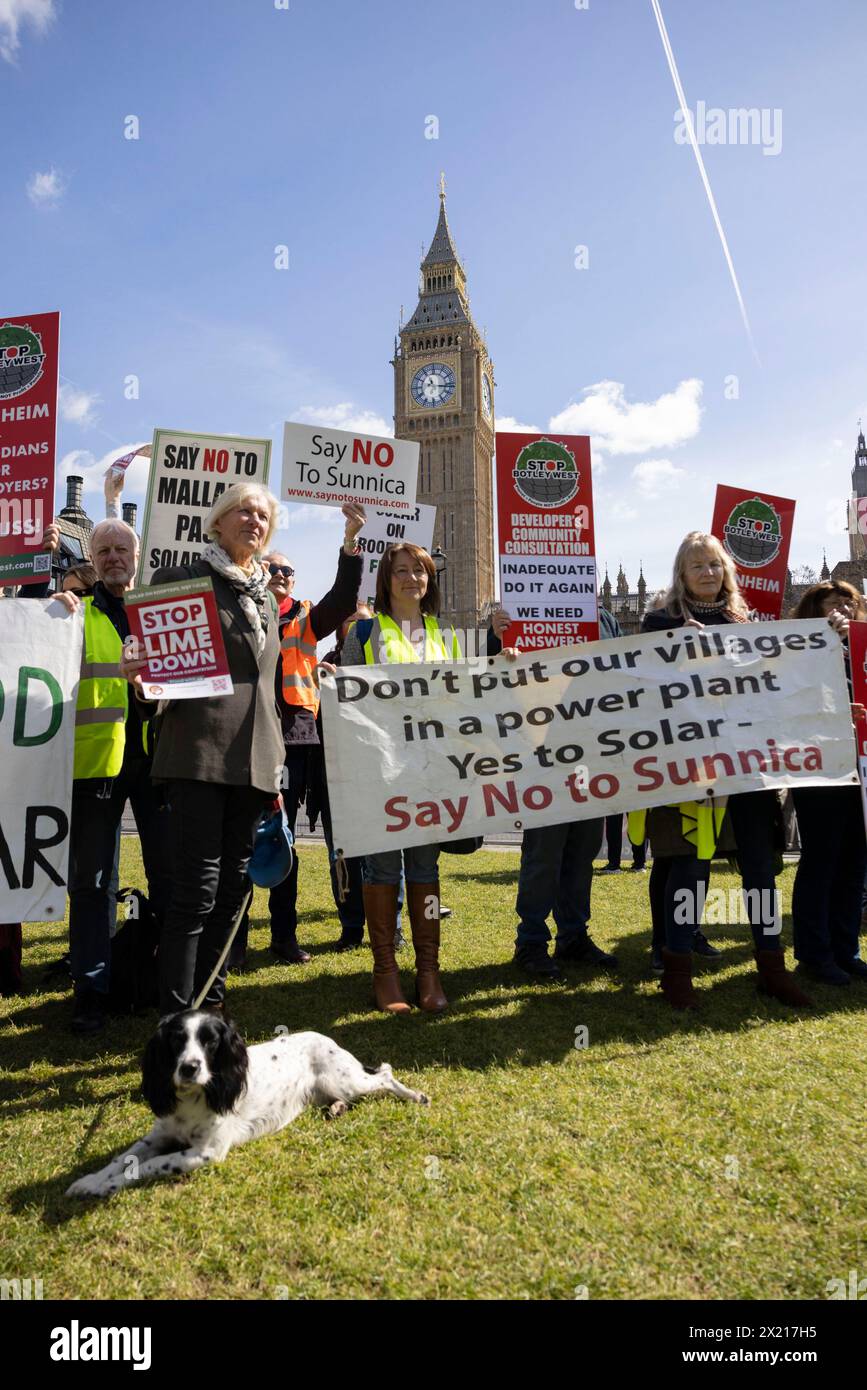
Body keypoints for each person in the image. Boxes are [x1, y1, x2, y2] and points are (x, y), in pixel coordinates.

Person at [122, 483, 287, 1016]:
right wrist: (141, 681)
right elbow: (157, 682)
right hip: (197, 755)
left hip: (255, 761)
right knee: (196, 890)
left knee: (234, 892)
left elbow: (265, 683)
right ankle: (176, 1015)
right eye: (243, 510)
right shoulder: (180, 581)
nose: (254, 521)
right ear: (217, 522)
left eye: (262, 515)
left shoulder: (267, 596)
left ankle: (209, 1005)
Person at [632, 532, 810, 1009]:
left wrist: (831, 630)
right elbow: (633, 687)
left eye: (714, 565)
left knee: (759, 866)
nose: (708, 573)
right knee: (688, 866)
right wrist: (670, 652)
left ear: (726, 571)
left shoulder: (745, 622)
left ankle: (771, 965)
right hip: (688, 766)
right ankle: (676, 971)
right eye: (697, 567)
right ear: (682, 575)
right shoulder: (659, 621)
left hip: (745, 762)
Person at [226, 516, 366, 969]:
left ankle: (286, 938)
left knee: (307, 838)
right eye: (274, 569)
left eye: (288, 571)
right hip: (254, 739)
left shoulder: (306, 618)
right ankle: (237, 942)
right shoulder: (241, 612)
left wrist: (349, 543)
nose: (282, 576)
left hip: (303, 740)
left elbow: (344, 598)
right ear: (257, 572)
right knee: (253, 840)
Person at [340, 543, 460, 1013]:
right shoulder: (366, 632)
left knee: (426, 871)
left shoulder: (443, 633)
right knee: (383, 869)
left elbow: (463, 694)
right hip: (381, 768)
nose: (412, 579)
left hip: (430, 769)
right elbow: (346, 696)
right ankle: (385, 971)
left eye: (421, 571)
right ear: (386, 582)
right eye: (402, 572)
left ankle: (428, 971)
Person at [59, 519, 169, 1032]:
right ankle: (91, 993)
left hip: (158, 760)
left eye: (121, 548)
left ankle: (172, 983)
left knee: (168, 876)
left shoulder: (162, 612)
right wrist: (50, 610)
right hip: (97, 762)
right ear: (92, 558)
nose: (112, 557)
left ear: (138, 553)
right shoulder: (75, 614)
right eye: (102, 550)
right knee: (92, 883)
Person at [499, 605, 623, 982]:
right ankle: (532, 941)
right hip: (542, 754)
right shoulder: (520, 611)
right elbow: (497, 678)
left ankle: (573, 935)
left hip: (590, 751)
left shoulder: (605, 619)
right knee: (543, 853)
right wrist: (498, 638)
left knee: (582, 852)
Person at [789, 581, 867, 984]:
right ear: (813, 612)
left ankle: (845, 949)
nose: (844, 611)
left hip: (861, 769)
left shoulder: (862, 651)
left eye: (850, 604)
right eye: (834, 605)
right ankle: (814, 953)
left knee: (855, 860)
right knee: (822, 859)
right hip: (820, 769)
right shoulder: (797, 651)